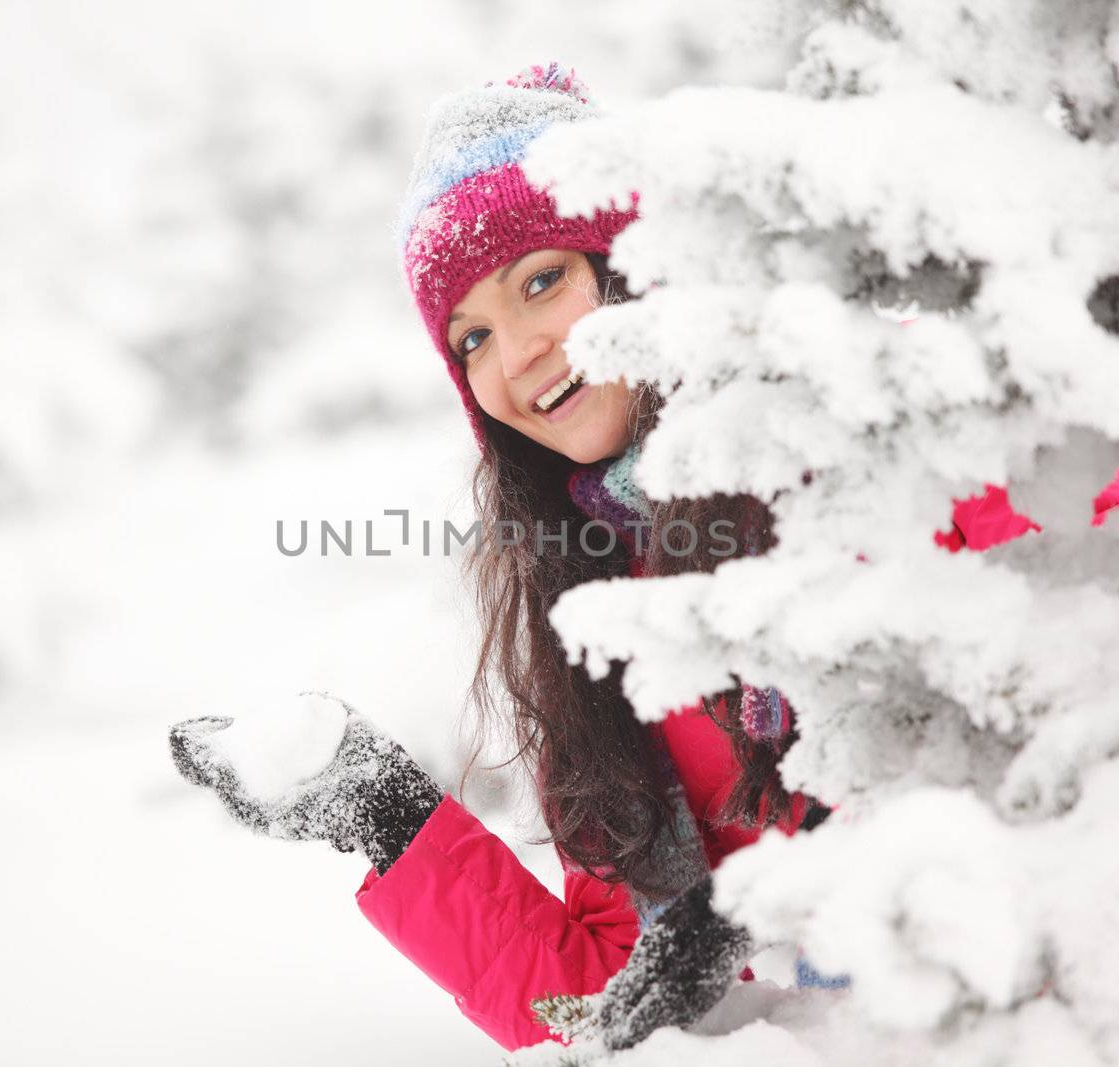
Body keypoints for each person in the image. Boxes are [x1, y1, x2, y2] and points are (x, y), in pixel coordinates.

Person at [168, 62, 838, 1055]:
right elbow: (601, 1004)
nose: (515, 354)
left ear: (634, 264)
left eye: (540, 281)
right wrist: (391, 817)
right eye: (471, 335)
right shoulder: (598, 596)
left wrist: (787, 891)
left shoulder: (852, 447)